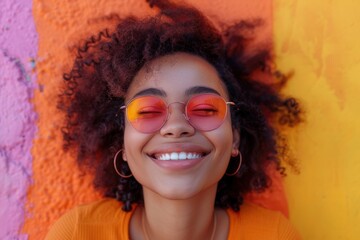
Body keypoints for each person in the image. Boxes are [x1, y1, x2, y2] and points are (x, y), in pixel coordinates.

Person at [46, 0, 302, 239]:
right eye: (147, 111)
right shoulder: (78, 233)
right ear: (123, 142)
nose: (177, 127)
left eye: (204, 109)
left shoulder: (273, 234)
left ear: (234, 136)